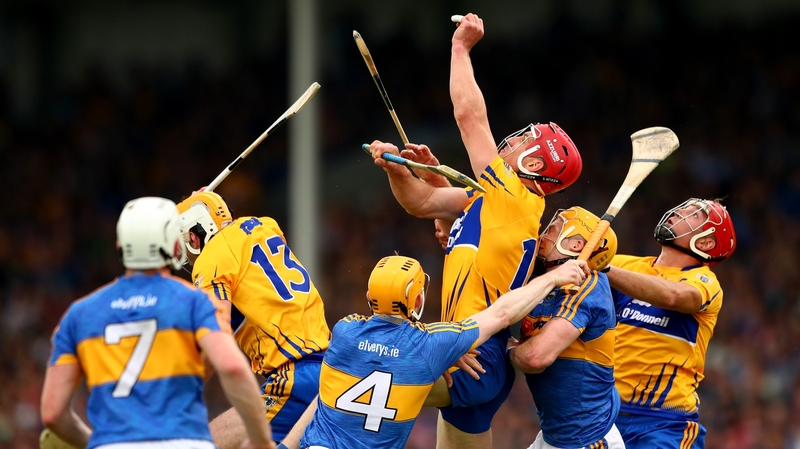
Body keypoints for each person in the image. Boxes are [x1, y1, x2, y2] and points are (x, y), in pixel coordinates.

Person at [366, 13, 583, 449]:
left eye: (524, 142)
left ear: (533, 164)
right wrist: (396, 168)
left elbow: (468, 116)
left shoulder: (513, 196)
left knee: (357, 374)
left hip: (472, 353)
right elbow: (423, 202)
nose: (511, 141)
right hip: (472, 354)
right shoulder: (494, 201)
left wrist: (460, 48)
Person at [39, 196, 275, 449]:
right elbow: (233, 368)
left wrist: (94, 443)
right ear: (175, 246)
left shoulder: (79, 315)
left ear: (119, 246)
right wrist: (260, 440)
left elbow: (52, 413)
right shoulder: (197, 302)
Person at [296, 255, 588, 449]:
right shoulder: (430, 346)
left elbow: (384, 342)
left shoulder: (344, 331)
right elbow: (501, 314)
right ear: (418, 300)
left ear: (369, 297)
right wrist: (551, 279)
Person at [176, 191, 331, 449]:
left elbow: (215, 337)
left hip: (294, 376)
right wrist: (203, 204)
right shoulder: (265, 227)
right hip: (327, 368)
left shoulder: (212, 257)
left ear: (194, 236)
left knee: (203, 443)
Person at [605, 198, 737, 448]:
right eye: (683, 207)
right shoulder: (624, 265)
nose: (678, 212)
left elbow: (673, 296)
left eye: (694, 214)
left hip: (664, 424)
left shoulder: (705, 282)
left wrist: (603, 268)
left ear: (705, 242)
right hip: (604, 415)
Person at [509, 207, 625, 449]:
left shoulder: (587, 285)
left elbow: (535, 357)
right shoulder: (542, 281)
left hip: (587, 440)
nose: (543, 235)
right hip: (554, 436)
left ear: (575, 245)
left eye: (552, 229)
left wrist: (506, 348)